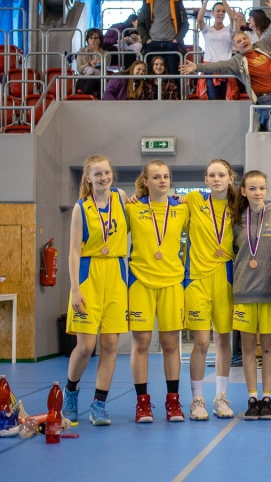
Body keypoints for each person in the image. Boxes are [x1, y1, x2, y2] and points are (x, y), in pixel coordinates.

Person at [62, 155, 129, 426]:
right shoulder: (81, 208)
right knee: (86, 346)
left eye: (106, 172)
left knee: (111, 343)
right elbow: (74, 252)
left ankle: (99, 404)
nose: (103, 177)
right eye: (97, 174)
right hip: (89, 275)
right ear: (88, 178)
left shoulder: (122, 198)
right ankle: (71, 391)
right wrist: (75, 289)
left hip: (116, 273)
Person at [126, 160, 188, 423]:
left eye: (166, 176)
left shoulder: (182, 209)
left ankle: (173, 402)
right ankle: (143, 404)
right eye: (156, 177)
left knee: (171, 344)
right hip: (140, 281)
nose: (163, 180)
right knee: (140, 344)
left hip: (172, 281)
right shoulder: (132, 208)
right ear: (145, 182)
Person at [179, 0, 271, 131]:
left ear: (249, 40)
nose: (243, 42)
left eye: (244, 39)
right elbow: (220, 65)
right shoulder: (237, 61)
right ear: (235, 46)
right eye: (239, 41)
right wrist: (197, 66)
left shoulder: (262, 45)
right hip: (265, 99)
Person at [183, 159, 237, 421]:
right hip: (196, 279)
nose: (217, 179)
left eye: (222, 174)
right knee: (202, 342)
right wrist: (138, 197)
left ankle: (221, 397)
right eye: (212, 175)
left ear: (230, 178)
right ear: (205, 179)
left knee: (224, 340)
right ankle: (197, 399)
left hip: (225, 278)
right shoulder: (193, 200)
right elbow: (165, 204)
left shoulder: (238, 205)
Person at [231, 170, 271, 421]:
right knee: (248, 349)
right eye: (252, 188)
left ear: (266, 190)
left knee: (270, 348)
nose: (257, 193)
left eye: (262, 188)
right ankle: (252, 398)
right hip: (243, 291)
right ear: (243, 191)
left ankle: (267, 398)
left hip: (270, 291)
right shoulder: (235, 218)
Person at [137, 0, 189, 75]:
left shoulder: (177, 1)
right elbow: (140, 24)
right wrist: (147, 40)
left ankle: (174, 91)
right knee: (151, 74)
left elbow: (185, 23)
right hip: (153, 43)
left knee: (173, 73)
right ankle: (152, 92)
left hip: (171, 43)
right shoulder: (148, 1)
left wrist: (177, 39)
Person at [197, 0, 242, 100]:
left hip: (226, 67)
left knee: (227, 98)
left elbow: (232, 18)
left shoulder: (229, 29)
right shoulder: (207, 29)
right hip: (210, 68)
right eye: (217, 11)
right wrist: (206, 0)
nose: (220, 13)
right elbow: (199, 19)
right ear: (212, 13)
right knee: (212, 99)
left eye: (223, 11)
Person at [74, 28, 104, 98]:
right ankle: (83, 97)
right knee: (87, 79)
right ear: (87, 39)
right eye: (91, 38)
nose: (93, 40)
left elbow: (103, 65)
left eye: (96, 38)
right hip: (83, 78)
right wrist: (89, 63)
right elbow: (79, 69)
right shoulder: (81, 51)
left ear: (100, 40)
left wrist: (96, 51)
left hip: (99, 79)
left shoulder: (105, 53)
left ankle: (82, 97)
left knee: (92, 79)